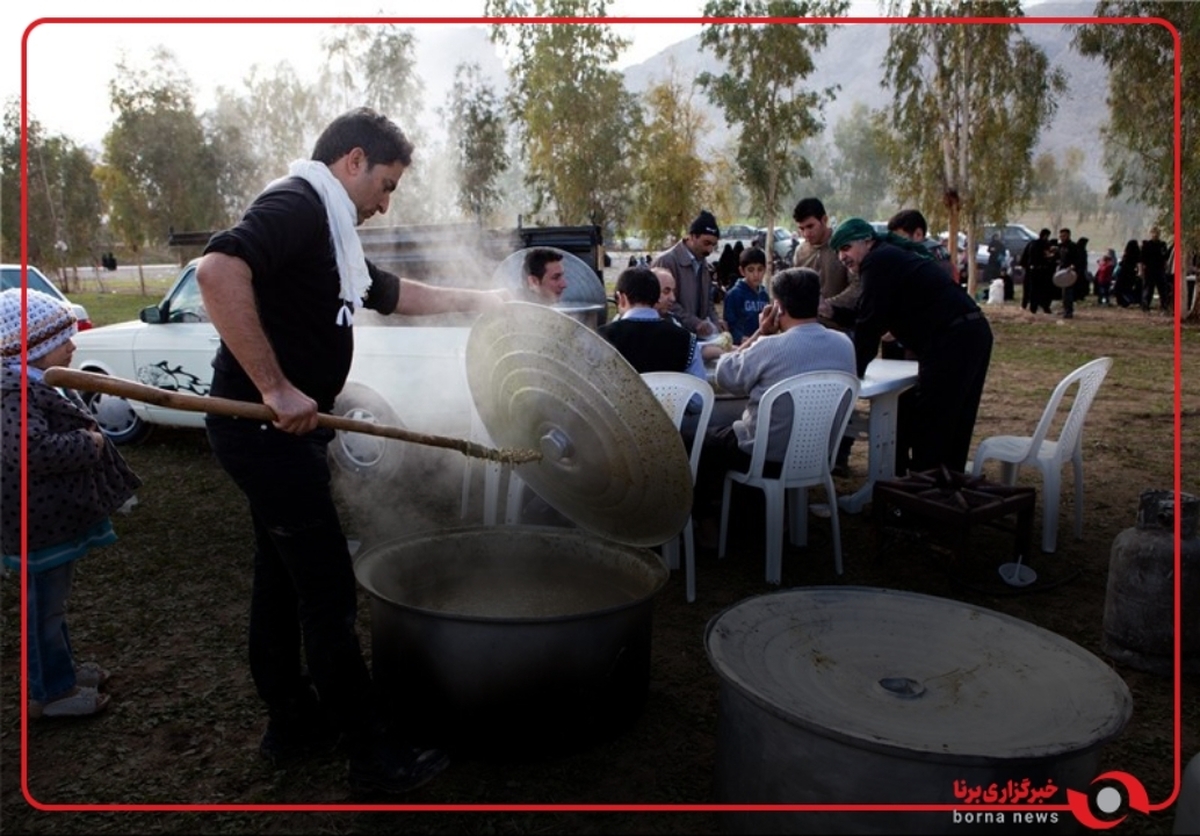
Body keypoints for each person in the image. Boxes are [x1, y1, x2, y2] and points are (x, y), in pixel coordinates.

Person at [195, 107, 509, 795]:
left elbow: (390, 293)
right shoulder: (299, 203)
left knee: (279, 578)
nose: (387, 202)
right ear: (354, 161)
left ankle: (291, 720)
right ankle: (374, 759)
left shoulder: (332, 229)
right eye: (387, 184)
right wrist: (275, 388)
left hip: (281, 436)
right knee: (328, 590)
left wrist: (483, 300)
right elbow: (218, 272)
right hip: (265, 432)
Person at [1, 288, 141, 719]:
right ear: (37, 349)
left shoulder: (34, 381)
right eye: (64, 341)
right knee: (43, 608)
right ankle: (51, 695)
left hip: (47, 518)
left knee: (51, 605)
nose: (73, 346)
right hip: (34, 523)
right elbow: (29, 451)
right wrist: (88, 443)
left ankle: (59, 673)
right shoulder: (14, 393)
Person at [690, 267, 856, 545]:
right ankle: (782, 522)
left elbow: (725, 374)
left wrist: (760, 332)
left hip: (765, 455)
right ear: (817, 301)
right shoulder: (844, 344)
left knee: (697, 442)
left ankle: (708, 529)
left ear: (777, 307)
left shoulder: (770, 347)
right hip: (817, 453)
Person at [831, 218, 993, 475]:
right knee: (954, 422)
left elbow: (869, 325)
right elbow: (871, 314)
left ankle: (924, 497)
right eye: (838, 251)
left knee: (934, 423)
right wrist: (831, 310)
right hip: (972, 332)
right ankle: (944, 489)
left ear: (867, 241)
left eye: (846, 247)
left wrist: (854, 374)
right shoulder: (886, 258)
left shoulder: (877, 261)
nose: (842, 256)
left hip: (953, 339)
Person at [599, 266, 706, 380]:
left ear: (621, 297)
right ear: (657, 298)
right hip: (670, 398)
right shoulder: (687, 340)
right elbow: (699, 390)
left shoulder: (599, 338)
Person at [651, 210, 724, 337]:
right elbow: (663, 303)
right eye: (706, 243)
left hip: (697, 338)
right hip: (671, 335)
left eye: (713, 245)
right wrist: (695, 323)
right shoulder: (666, 261)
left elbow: (708, 303)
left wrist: (716, 324)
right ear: (692, 237)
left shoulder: (704, 265)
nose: (710, 250)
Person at [723, 246, 770, 346]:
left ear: (765, 270)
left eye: (760, 269)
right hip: (742, 344)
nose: (756, 274)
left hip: (761, 343)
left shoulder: (764, 294)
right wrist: (740, 338)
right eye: (751, 270)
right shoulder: (734, 294)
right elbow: (730, 323)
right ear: (742, 271)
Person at [1021, 228, 1055, 315]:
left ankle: (1033, 307)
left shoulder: (1032, 243)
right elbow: (1048, 257)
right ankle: (1044, 306)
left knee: (1033, 289)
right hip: (1043, 270)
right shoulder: (1046, 245)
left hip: (1033, 270)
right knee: (1044, 290)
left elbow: (1024, 257)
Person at [1140, 226, 1171, 312]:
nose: (1155, 235)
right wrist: (1141, 271)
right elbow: (1142, 259)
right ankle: (1145, 305)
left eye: (1157, 233)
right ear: (1151, 234)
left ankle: (1164, 306)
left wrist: (1165, 266)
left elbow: (1165, 257)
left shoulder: (1162, 245)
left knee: (1162, 289)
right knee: (1148, 289)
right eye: (1154, 233)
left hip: (1159, 269)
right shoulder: (1147, 245)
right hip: (1149, 269)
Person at [1056, 228, 1079, 320]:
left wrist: (1072, 266)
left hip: (1069, 271)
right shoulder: (1060, 246)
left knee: (1068, 292)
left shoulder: (1073, 246)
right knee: (1064, 292)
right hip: (1062, 271)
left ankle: (1069, 311)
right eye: (1061, 236)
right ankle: (1065, 308)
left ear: (1068, 236)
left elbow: (1077, 259)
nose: (1062, 238)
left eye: (1064, 236)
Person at [1114, 239, 1143, 309]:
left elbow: (1121, 263)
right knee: (1127, 289)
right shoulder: (1137, 254)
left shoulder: (1127, 255)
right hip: (1131, 273)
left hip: (1124, 273)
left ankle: (1124, 302)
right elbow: (1139, 263)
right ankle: (1128, 301)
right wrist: (1139, 273)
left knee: (1119, 288)